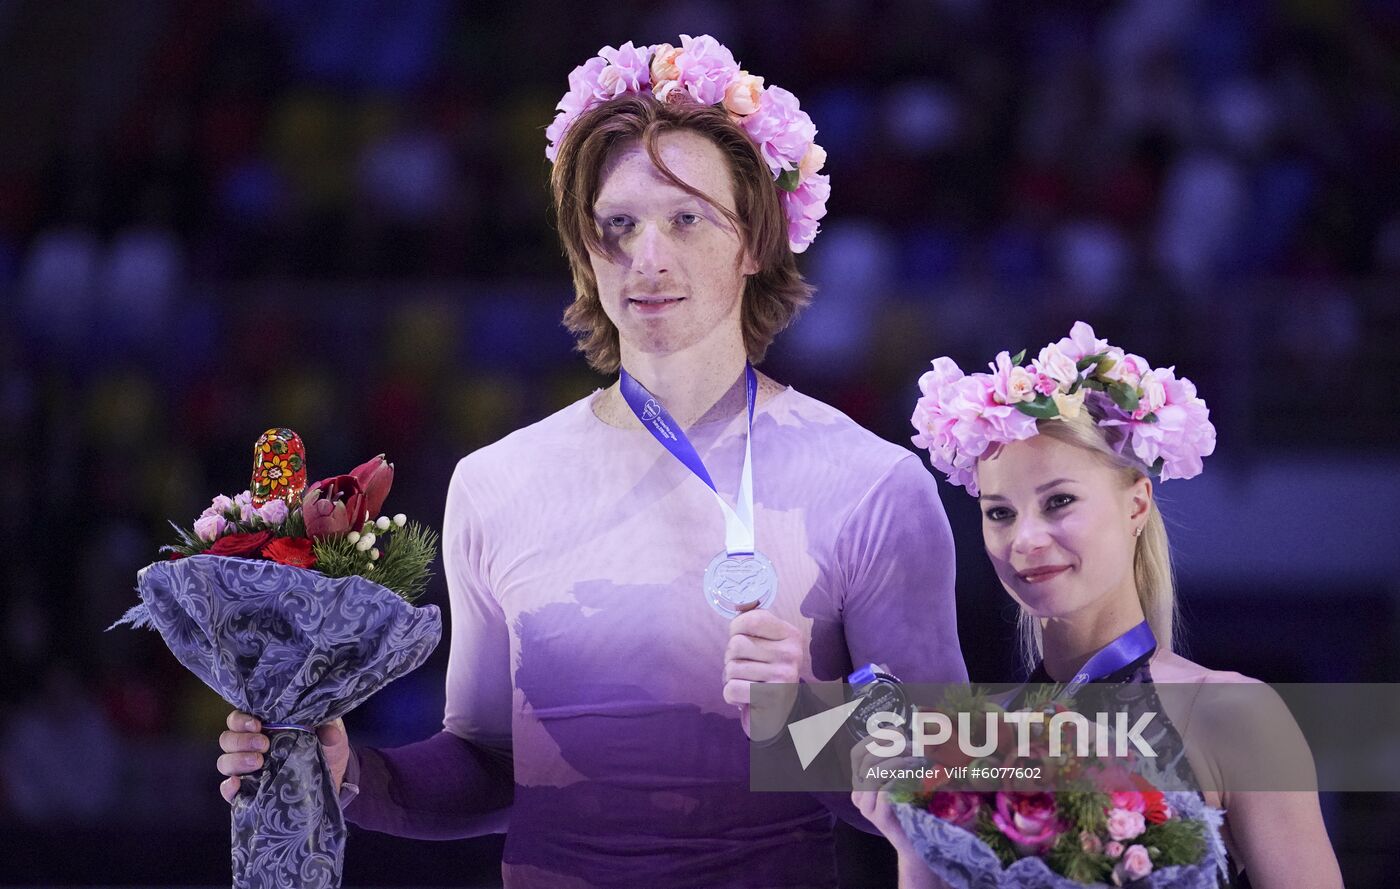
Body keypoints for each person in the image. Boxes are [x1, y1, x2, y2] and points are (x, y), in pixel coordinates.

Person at [218, 36, 966, 888]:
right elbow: (490, 766)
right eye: (619, 225)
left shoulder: (872, 485)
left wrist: (811, 715)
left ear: (755, 241)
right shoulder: (498, 484)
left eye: (687, 218)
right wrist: (350, 772)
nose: (647, 257)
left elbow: (949, 803)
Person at [852, 322, 1343, 888]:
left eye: (1059, 502)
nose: (1025, 540)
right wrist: (912, 843)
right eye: (1000, 512)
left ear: (1137, 505)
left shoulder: (1232, 715)